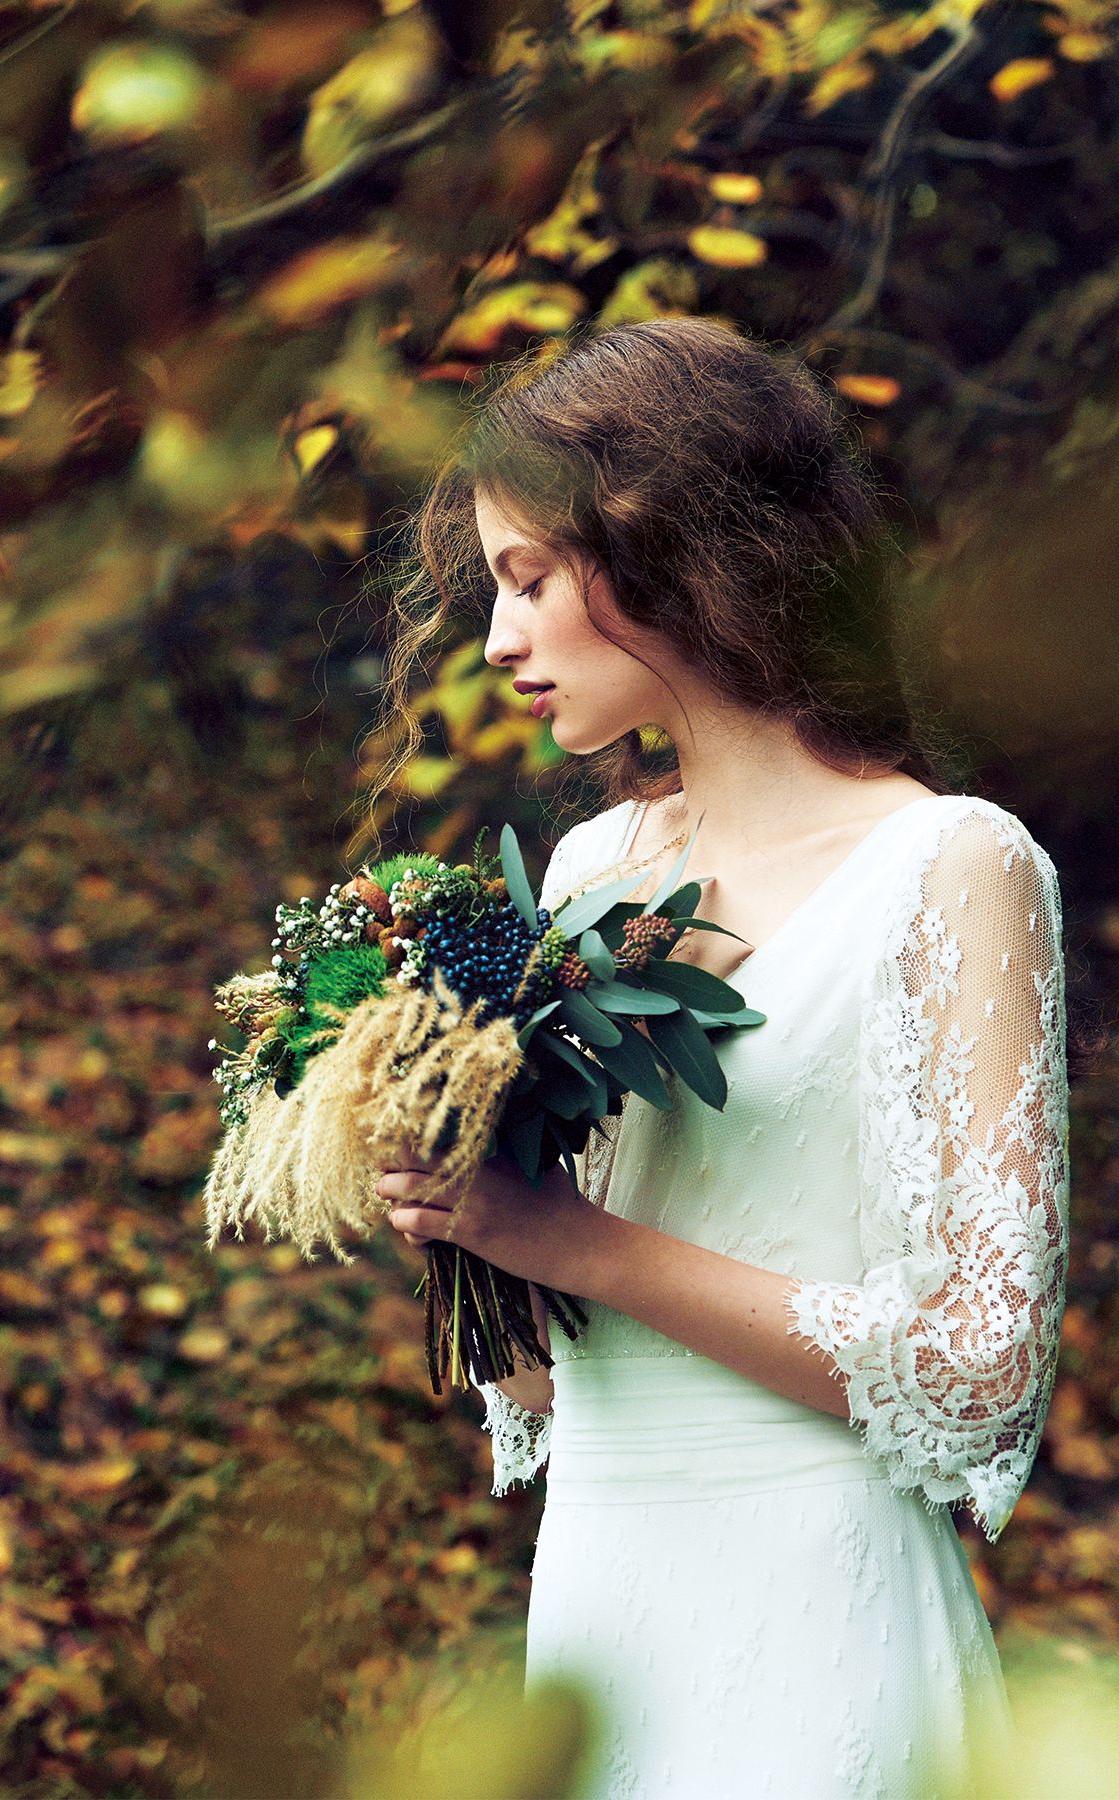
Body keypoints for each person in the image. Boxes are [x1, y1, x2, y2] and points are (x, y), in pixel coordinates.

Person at [373, 318, 1069, 1798]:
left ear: (667, 547)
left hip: (821, 1614)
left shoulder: (951, 865)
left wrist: (564, 1236)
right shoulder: (581, 872)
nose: (498, 643)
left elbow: (979, 1375)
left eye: (528, 580)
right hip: (604, 1612)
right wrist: (454, 1215)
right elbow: (558, 1391)